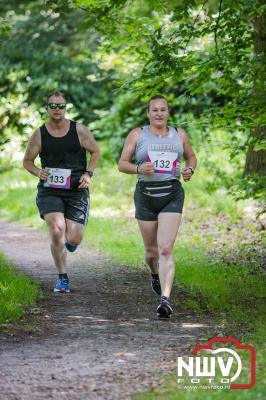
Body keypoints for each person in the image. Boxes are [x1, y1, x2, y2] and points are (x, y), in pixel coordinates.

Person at [118, 95, 197, 318]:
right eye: (155, 110)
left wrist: (190, 170)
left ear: (168, 112)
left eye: (163, 110)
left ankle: (165, 299)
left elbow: (191, 157)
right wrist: (138, 169)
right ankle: (154, 274)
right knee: (151, 252)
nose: (159, 113)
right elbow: (122, 164)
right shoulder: (137, 134)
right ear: (149, 113)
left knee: (165, 249)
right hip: (145, 196)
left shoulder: (179, 134)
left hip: (171, 195)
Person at [23, 91, 100, 293]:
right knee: (57, 229)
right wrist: (39, 172)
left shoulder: (79, 130)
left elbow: (96, 151)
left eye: (61, 106)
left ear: (66, 107)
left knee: (73, 238)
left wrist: (88, 174)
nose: (57, 109)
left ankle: (70, 241)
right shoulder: (40, 134)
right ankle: (62, 277)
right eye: (53, 106)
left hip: (76, 189)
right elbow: (27, 161)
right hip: (50, 190)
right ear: (47, 109)